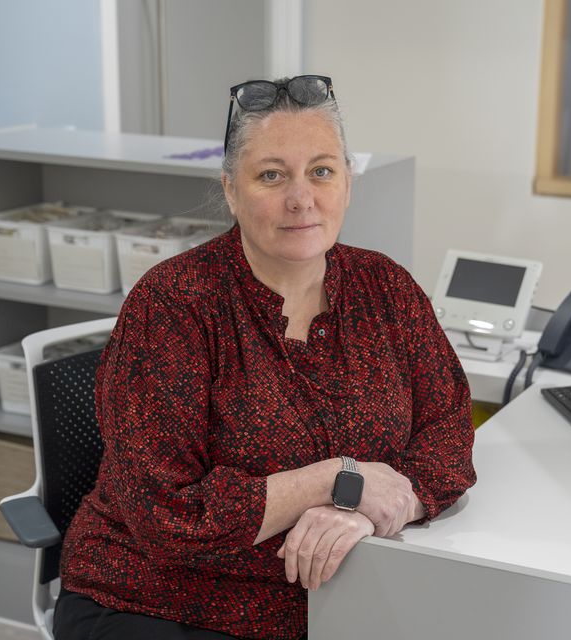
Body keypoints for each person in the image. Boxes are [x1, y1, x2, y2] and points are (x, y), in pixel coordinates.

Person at [52, 75, 476, 640]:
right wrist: (337, 481)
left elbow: (449, 430)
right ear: (231, 190)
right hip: (156, 598)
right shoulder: (173, 306)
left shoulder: (387, 288)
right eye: (271, 175)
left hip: (340, 597)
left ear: (347, 182)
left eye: (321, 171)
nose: (301, 198)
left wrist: (388, 504)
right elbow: (166, 517)